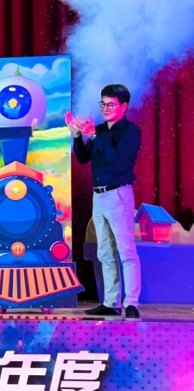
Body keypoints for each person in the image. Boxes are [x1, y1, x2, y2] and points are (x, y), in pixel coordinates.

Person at [66, 84, 142, 319]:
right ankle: (111, 302)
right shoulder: (98, 130)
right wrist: (77, 135)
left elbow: (116, 159)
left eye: (110, 104)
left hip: (119, 195)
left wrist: (93, 135)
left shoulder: (130, 131)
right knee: (105, 253)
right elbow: (82, 158)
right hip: (98, 197)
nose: (105, 108)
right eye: (103, 104)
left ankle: (132, 303)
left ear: (124, 106)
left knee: (126, 251)